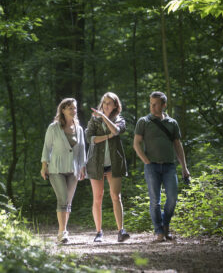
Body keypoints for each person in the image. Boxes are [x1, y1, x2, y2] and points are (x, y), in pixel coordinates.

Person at [133, 91, 190, 242]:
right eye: (151, 104)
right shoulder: (143, 122)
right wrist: (146, 161)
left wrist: (184, 167)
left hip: (169, 166)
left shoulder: (172, 123)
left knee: (172, 199)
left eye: (155, 104)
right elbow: (136, 143)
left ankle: (166, 225)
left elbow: (178, 146)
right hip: (151, 167)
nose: (152, 107)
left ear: (164, 105)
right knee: (155, 201)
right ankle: (159, 231)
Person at [85, 92, 130, 243]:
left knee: (116, 196)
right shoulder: (94, 119)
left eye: (109, 103)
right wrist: (107, 136)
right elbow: (89, 138)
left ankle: (121, 231)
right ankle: (98, 232)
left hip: (114, 163)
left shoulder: (120, 119)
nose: (106, 106)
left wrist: (104, 118)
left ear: (116, 105)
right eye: (104, 102)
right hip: (95, 163)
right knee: (97, 197)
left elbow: (116, 131)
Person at [41, 98, 86, 244]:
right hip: (56, 169)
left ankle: (63, 231)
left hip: (73, 169)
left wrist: (83, 167)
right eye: (70, 108)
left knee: (68, 202)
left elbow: (82, 150)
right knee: (62, 199)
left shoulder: (78, 128)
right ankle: (62, 232)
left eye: (75, 108)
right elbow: (47, 148)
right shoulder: (53, 128)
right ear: (63, 110)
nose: (73, 111)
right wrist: (44, 166)